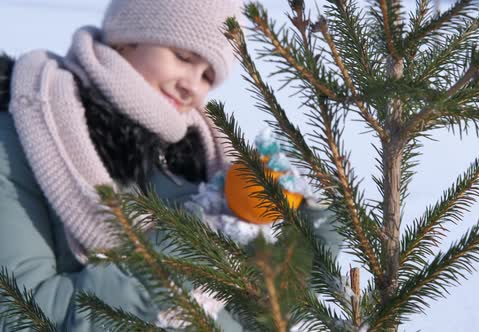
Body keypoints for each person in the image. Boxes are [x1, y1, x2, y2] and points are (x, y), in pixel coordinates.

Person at [0, 0, 340, 330]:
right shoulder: (20, 134)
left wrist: (311, 226)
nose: (192, 86)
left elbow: (266, 318)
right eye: (183, 57)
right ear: (128, 38)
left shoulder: (205, 162)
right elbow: (23, 316)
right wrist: (198, 245)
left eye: (208, 76)